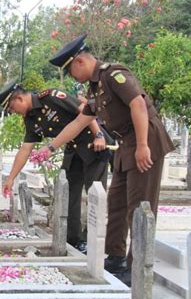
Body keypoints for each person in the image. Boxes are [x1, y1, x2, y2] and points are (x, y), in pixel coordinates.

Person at [40, 34, 175, 285]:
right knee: (117, 204)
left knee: (140, 206)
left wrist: (144, 145)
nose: (72, 77)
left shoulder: (114, 75)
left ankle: (136, 268)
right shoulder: (95, 88)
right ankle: (115, 256)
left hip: (144, 140)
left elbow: (138, 105)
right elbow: (80, 122)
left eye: (70, 71)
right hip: (126, 144)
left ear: (79, 61)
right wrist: (49, 147)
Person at [0, 78, 111, 253]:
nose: (13, 112)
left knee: (94, 193)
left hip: (93, 145)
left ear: (19, 99)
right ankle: (73, 239)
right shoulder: (31, 119)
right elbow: (25, 150)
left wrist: (99, 135)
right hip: (74, 150)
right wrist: (10, 179)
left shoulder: (52, 97)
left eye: (11, 108)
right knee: (68, 193)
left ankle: (92, 241)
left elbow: (85, 112)